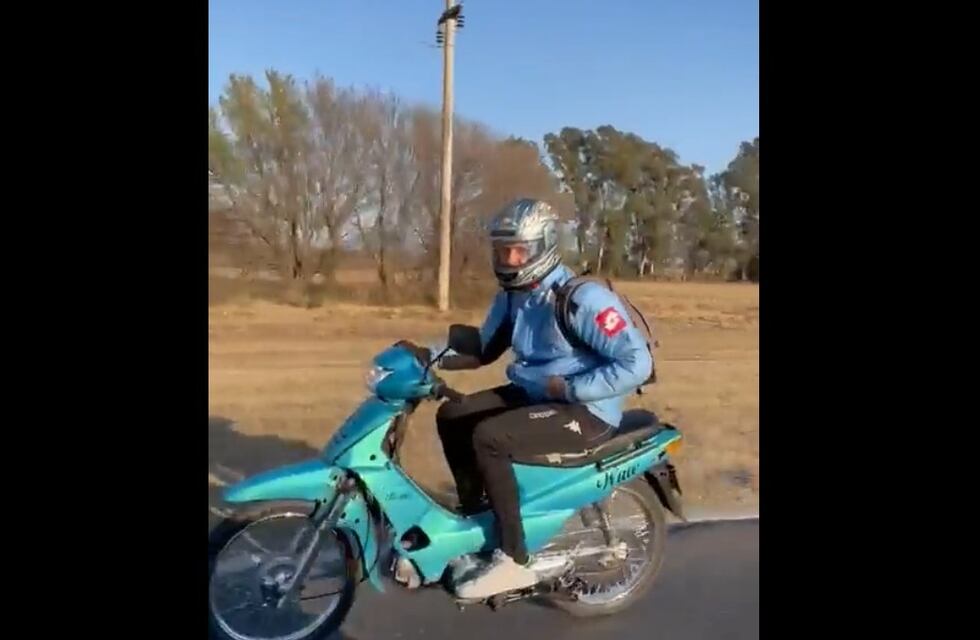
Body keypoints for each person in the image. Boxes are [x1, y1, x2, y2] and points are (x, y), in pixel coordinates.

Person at [432, 198, 653, 599]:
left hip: (584, 409)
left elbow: (637, 363)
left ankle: (513, 560)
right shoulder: (513, 296)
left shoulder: (581, 300)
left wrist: (570, 388)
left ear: (545, 245)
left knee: (489, 438)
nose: (509, 260)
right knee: (453, 415)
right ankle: (478, 524)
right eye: (502, 251)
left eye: (519, 251)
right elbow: (484, 349)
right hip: (536, 394)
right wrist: (427, 357)